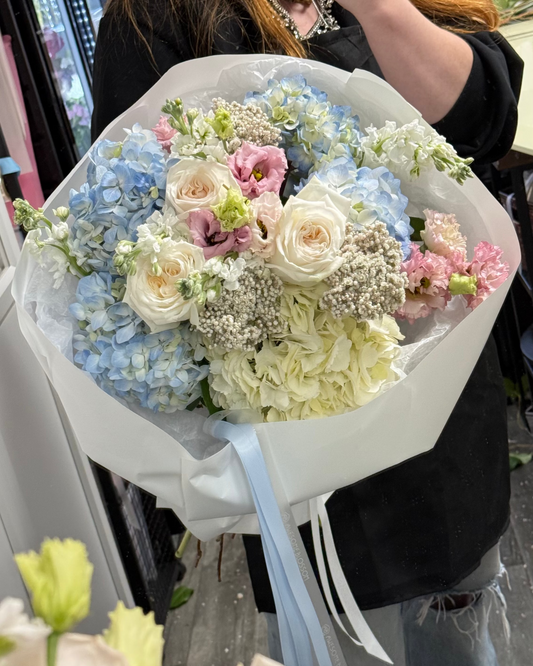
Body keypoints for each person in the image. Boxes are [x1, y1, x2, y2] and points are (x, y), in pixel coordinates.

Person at [91, 1, 523, 664]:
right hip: (309, 461)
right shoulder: (157, 19)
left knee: (462, 636)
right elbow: (130, 239)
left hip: (447, 426)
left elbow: (484, 118)